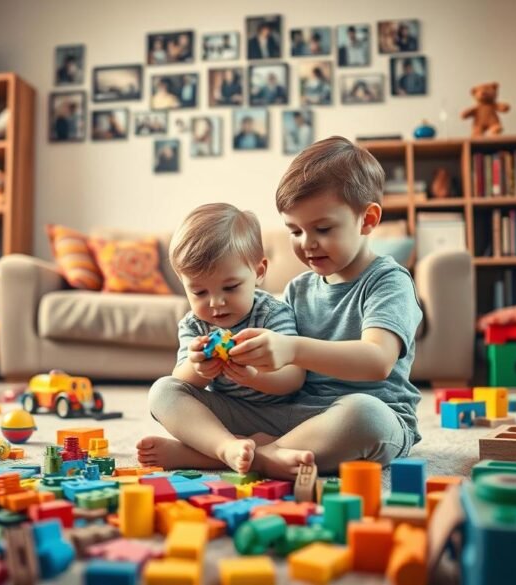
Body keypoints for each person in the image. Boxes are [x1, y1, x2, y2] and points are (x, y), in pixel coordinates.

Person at [138, 136, 422, 479]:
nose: (307, 243)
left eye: (322, 228)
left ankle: (245, 456)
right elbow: (280, 382)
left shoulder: (388, 281)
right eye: (295, 230)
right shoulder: (298, 289)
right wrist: (233, 365)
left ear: (367, 219)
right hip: (292, 414)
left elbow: (377, 361)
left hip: (362, 415)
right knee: (164, 391)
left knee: (366, 416)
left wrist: (291, 349)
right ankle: (235, 448)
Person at [137, 203, 306, 474]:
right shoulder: (195, 325)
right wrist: (198, 367)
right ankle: (225, 447)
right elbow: (181, 383)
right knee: (162, 391)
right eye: (199, 292)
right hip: (226, 419)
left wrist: (253, 376)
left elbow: (294, 378)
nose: (216, 303)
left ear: (259, 272)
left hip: (282, 416)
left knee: (331, 422)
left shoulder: (273, 313)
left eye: (230, 287)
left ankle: (201, 455)